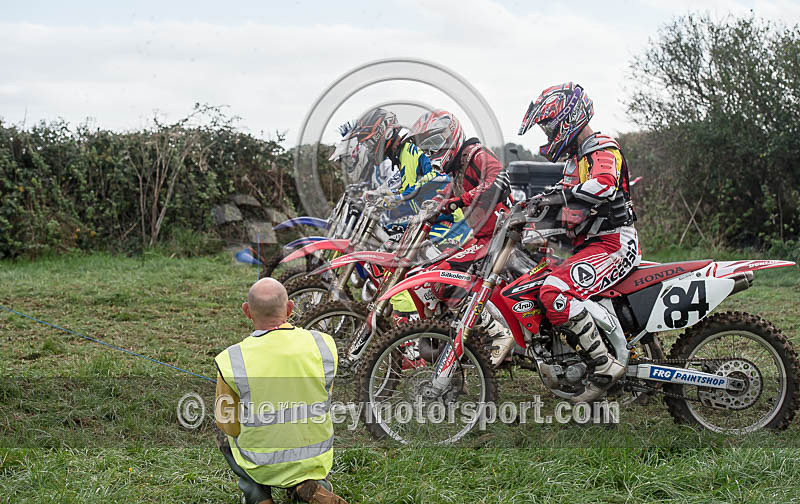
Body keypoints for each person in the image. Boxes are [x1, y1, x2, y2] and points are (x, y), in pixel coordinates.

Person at [518, 82, 639, 402]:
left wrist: (559, 196)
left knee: (555, 291)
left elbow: (604, 185)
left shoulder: (600, 147)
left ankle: (604, 366)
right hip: (589, 244)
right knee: (536, 278)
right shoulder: (574, 160)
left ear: (568, 119)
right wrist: (529, 217)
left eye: (548, 126)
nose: (546, 133)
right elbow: (565, 206)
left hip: (613, 242)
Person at [214, 278, 347, 504]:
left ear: (247, 311)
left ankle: (258, 496)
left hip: (261, 462)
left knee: (222, 433)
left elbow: (228, 423)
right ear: (289, 308)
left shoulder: (232, 359)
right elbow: (325, 395)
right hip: (315, 456)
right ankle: (310, 485)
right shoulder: (323, 344)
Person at [410, 109, 516, 366]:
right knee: (424, 276)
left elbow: (499, 180)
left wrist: (460, 200)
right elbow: (447, 197)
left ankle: (498, 332)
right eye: (425, 147)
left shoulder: (476, 155)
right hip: (482, 239)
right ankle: (451, 336)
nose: (430, 152)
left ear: (451, 135)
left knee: (444, 277)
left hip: (500, 238)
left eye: (434, 143)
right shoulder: (456, 168)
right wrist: (436, 205)